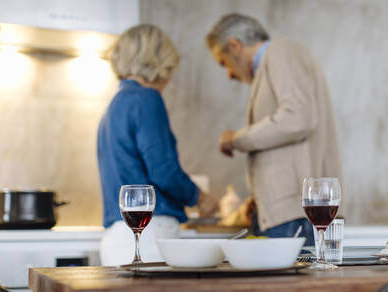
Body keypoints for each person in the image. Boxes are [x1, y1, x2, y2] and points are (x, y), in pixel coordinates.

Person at [206, 14, 342, 242]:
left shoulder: (281, 51)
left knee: (289, 278)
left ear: (235, 46)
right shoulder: (275, 60)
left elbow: (297, 118)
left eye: (224, 62)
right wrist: (261, 198)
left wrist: (236, 139)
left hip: (292, 215)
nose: (229, 74)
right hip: (285, 213)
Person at [98, 24, 217, 265]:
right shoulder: (146, 99)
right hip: (149, 234)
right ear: (158, 60)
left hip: (118, 237)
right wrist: (200, 197)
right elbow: (163, 169)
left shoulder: (114, 106)